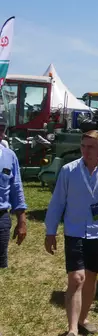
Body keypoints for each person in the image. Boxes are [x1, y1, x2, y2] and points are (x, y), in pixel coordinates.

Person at [44, 130, 98, 336]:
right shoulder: (68, 170)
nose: (85, 151)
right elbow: (57, 202)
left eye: (90, 147)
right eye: (83, 146)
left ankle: (82, 319)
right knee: (76, 278)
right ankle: (72, 329)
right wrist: (50, 231)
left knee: (91, 277)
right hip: (74, 231)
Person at [0, 112, 26, 268]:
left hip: (1, 218)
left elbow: (17, 189)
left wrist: (22, 222)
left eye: (1, 129)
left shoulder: (10, 157)